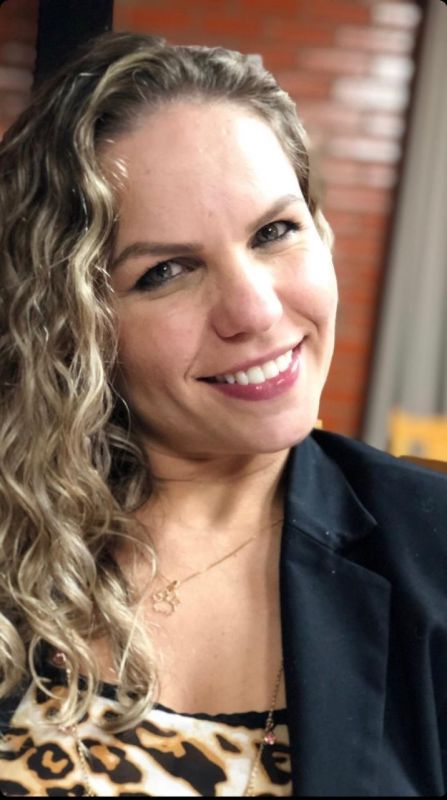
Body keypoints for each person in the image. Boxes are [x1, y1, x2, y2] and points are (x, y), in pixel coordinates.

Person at [0, 30, 446, 798]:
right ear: (70, 323)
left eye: (274, 232)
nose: (254, 310)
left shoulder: (432, 551)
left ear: (321, 230)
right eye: (166, 271)